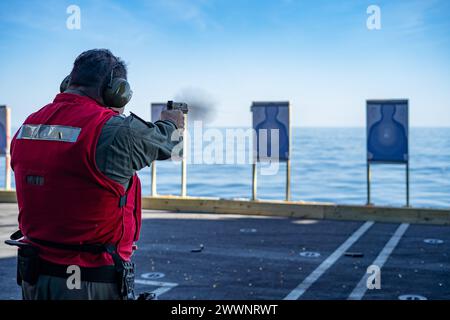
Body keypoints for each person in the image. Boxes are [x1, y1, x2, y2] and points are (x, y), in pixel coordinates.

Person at [8, 49, 184, 300]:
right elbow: (170, 146)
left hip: (35, 280)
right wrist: (171, 123)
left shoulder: (28, 126)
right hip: (88, 282)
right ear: (117, 90)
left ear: (69, 82)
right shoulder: (112, 131)